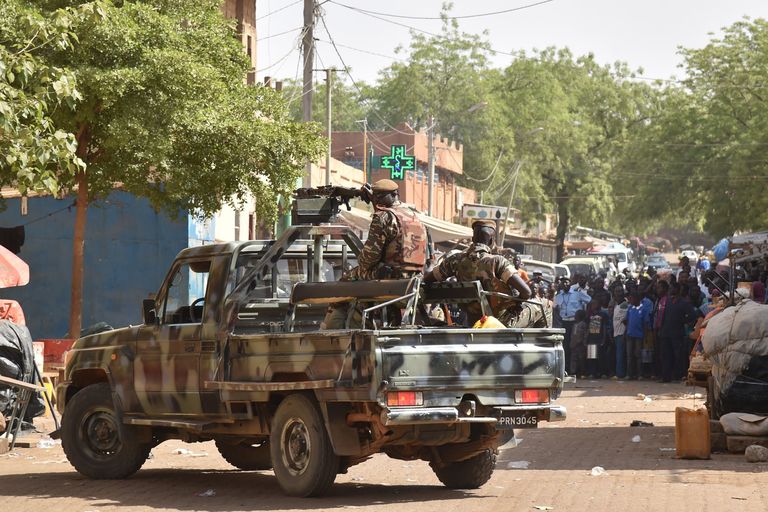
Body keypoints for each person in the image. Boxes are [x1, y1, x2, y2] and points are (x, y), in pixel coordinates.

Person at [323, 179, 427, 329]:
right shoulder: (414, 217)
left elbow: (367, 260)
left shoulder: (383, 217)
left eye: (379, 196)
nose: (376, 200)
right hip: (414, 281)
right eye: (375, 196)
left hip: (390, 278)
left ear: (394, 195)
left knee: (344, 281)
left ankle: (330, 328)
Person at [425, 220, 534, 327]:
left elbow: (427, 280)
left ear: (473, 239)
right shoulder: (497, 262)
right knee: (544, 305)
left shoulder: (454, 260)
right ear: (492, 240)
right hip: (499, 323)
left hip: (473, 322)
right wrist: (515, 306)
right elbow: (527, 292)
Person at [554, 277, 591, 375]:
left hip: (575, 323)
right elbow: (555, 308)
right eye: (563, 283)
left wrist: (585, 315)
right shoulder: (559, 296)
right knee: (565, 346)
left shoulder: (577, 294)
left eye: (567, 282)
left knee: (575, 345)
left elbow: (590, 301)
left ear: (570, 283)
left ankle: (579, 371)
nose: (565, 284)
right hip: (564, 323)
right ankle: (566, 369)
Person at [625, 291, 650, 380]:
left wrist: (645, 336)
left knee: (638, 355)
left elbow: (645, 323)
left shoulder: (643, 309)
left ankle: (640, 374)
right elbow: (627, 321)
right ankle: (629, 374)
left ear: (637, 299)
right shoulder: (630, 308)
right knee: (629, 355)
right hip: (630, 335)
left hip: (639, 335)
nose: (630, 300)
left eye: (632, 298)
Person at [585, 299, 610, 378]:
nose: (593, 306)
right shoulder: (589, 315)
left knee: (601, 356)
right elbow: (587, 328)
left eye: (594, 304)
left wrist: (604, 338)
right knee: (592, 357)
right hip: (591, 339)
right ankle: (592, 373)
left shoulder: (603, 314)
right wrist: (586, 339)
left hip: (600, 338)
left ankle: (603, 373)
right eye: (592, 304)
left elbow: (605, 327)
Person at [612, 287, 629, 379]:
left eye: (620, 291)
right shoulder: (617, 305)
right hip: (616, 333)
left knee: (620, 355)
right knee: (619, 354)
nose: (618, 294)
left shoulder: (625, 304)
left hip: (622, 333)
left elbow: (626, 320)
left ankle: (620, 374)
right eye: (616, 292)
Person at [570, 309, 588, 378]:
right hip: (573, 344)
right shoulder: (574, 325)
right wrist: (572, 343)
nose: (575, 316)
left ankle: (582, 372)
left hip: (580, 345)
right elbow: (572, 335)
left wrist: (582, 342)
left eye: (576, 315)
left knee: (581, 359)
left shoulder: (583, 324)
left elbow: (585, 334)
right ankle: (573, 372)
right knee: (573, 359)